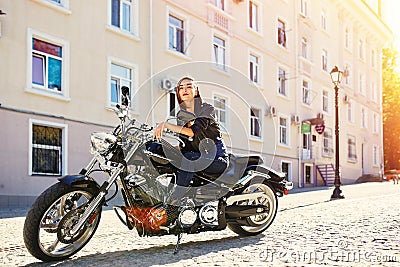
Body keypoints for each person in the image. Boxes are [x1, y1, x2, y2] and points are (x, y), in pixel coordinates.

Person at [153, 76, 228, 204]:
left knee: (189, 158)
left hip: (215, 158)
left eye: (189, 86)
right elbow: (185, 143)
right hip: (196, 155)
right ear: (178, 92)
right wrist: (171, 149)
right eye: (181, 88)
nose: (184, 90)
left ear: (196, 91)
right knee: (162, 151)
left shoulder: (207, 109)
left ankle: (175, 199)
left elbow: (193, 132)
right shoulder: (181, 115)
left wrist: (165, 124)